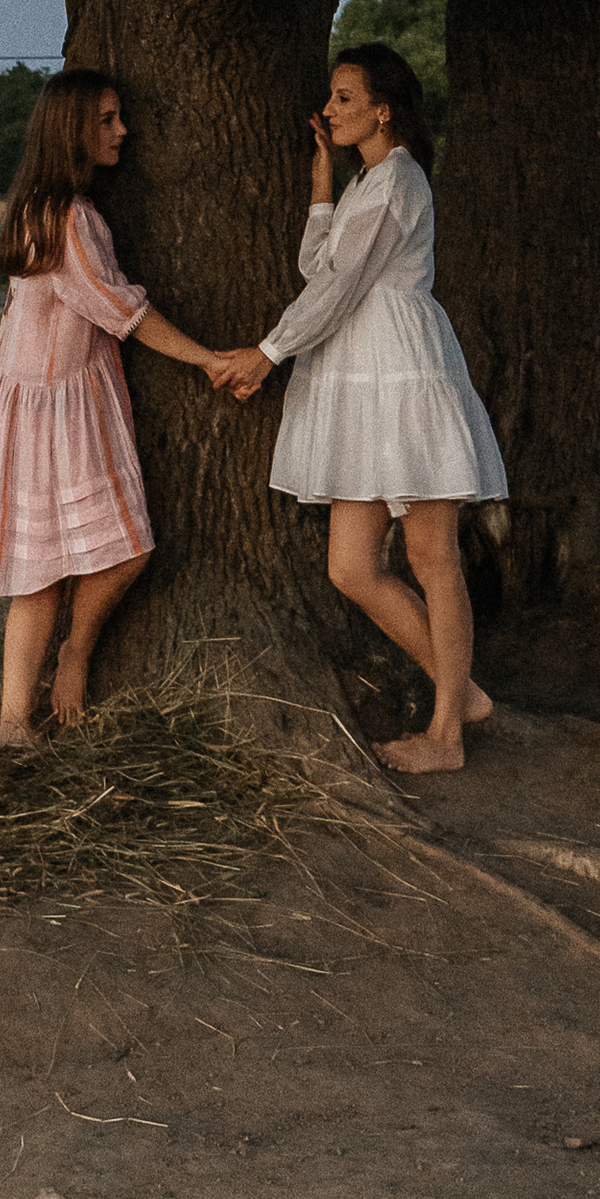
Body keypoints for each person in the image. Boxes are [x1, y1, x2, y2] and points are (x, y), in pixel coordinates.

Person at [206, 42, 507, 775]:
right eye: (332, 97)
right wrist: (320, 188)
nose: (330, 109)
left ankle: (446, 735)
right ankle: (463, 694)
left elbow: (339, 290)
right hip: (357, 373)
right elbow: (320, 270)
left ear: (384, 110)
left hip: (403, 370)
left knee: (432, 555)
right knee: (350, 567)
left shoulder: (400, 180)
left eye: (345, 97)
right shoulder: (368, 184)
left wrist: (267, 352)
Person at [0, 64, 222, 746]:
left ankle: (25, 710)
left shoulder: (46, 208)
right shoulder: (68, 218)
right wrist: (209, 359)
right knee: (112, 553)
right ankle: (34, 701)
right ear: (72, 129)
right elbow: (121, 311)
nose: (123, 131)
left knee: (58, 567)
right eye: (107, 120)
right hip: (48, 411)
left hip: (41, 402)